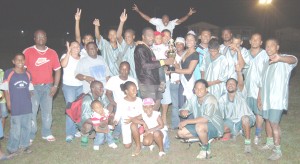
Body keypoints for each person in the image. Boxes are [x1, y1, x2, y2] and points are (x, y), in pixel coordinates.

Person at [258, 39, 298, 160]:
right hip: (265, 99)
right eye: (267, 46)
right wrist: (259, 97)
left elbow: (294, 59)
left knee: (274, 123)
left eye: (271, 46)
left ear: (277, 47)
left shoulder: (284, 60)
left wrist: (280, 58)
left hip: (276, 99)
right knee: (267, 120)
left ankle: (277, 150)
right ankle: (269, 143)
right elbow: (261, 82)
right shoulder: (266, 62)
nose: (269, 48)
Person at [23, 29, 61, 142]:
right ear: (34, 39)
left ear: (46, 38)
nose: (41, 39)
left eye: (43, 36)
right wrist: (26, 87)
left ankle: (46, 132)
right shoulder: (28, 51)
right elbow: (22, 70)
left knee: (47, 111)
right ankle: (31, 134)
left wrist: (55, 86)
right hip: (32, 87)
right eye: (38, 37)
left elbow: (58, 70)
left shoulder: (52, 52)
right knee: (32, 111)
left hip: (48, 87)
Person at [177, 79, 224, 159]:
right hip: (200, 125)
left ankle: (205, 147)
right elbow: (183, 109)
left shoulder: (210, 99)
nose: (199, 91)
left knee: (200, 126)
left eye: (201, 88)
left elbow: (205, 119)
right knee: (180, 133)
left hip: (214, 126)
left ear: (206, 89)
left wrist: (187, 121)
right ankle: (205, 138)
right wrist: (183, 112)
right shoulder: (193, 98)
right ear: (194, 90)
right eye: (196, 88)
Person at [0, 53, 33, 157]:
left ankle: (25, 145)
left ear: (25, 61)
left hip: (26, 105)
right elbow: (5, 88)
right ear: (13, 61)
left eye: (22, 60)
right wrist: (8, 102)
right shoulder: (9, 73)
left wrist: (30, 95)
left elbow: (30, 88)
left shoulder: (28, 74)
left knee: (27, 127)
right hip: (15, 105)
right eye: (17, 60)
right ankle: (12, 148)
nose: (20, 62)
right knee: (16, 128)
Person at [134, 27, 173, 111]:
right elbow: (144, 65)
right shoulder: (141, 48)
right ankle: (147, 124)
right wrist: (164, 62)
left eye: (152, 36)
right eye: (149, 36)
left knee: (156, 105)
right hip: (147, 83)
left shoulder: (148, 48)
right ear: (143, 37)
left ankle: (153, 123)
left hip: (154, 81)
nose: (152, 38)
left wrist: (164, 66)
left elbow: (154, 64)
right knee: (150, 108)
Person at [219, 64, 256, 153]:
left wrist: (239, 72)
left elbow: (241, 83)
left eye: (232, 84)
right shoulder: (222, 99)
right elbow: (220, 115)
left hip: (243, 118)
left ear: (236, 86)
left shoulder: (241, 93)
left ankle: (247, 144)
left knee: (245, 119)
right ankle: (234, 133)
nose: (230, 85)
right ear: (226, 86)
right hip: (231, 121)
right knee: (220, 129)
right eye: (228, 84)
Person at [244, 33, 269, 145]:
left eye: (257, 39)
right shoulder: (245, 53)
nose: (255, 41)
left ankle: (258, 134)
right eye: (253, 39)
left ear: (261, 42)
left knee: (259, 112)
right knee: (247, 112)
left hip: (259, 89)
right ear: (250, 41)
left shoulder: (265, 54)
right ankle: (245, 131)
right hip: (246, 88)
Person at [106, 61, 138, 140]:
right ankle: (114, 133)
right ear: (119, 69)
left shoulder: (133, 80)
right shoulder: (113, 79)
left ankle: (120, 132)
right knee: (118, 118)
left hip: (130, 104)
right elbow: (108, 93)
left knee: (126, 118)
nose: (124, 71)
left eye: (126, 69)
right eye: (122, 69)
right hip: (117, 104)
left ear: (129, 70)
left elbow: (135, 95)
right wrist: (114, 103)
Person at [60, 41, 83, 142]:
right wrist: (68, 52)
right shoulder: (65, 55)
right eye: (73, 46)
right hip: (69, 86)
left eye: (77, 46)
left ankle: (76, 129)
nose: (75, 48)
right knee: (70, 109)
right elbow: (63, 65)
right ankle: (69, 133)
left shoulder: (82, 58)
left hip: (80, 86)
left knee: (79, 109)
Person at [113, 81, 143, 156]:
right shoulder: (121, 101)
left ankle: (138, 146)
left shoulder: (139, 100)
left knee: (133, 125)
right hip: (125, 124)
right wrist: (115, 121)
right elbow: (118, 113)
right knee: (127, 146)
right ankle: (135, 135)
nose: (135, 91)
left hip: (137, 122)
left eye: (136, 89)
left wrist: (133, 119)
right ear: (126, 91)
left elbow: (143, 114)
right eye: (133, 90)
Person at [78, 80, 109, 147]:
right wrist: (99, 122)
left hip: (99, 118)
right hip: (88, 121)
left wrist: (108, 114)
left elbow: (108, 105)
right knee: (87, 126)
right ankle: (84, 135)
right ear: (93, 89)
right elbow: (85, 119)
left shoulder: (101, 96)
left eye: (102, 88)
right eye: (100, 88)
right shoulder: (87, 100)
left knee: (112, 115)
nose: (102, 90)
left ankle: (102, 133)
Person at [173, 32, 199, 106]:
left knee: (189, 105)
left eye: (191, 39)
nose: (189, 41)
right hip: (182, 81)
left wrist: (174, 70)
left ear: (195, 42)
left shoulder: (195, 54)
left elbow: (189, 71)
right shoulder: (185, 52)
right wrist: (173, 63)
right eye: (187, 39)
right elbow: (181, 67)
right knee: (181, 105)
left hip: (189, 81)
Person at [169, 37, 185, 129]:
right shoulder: (171, 54)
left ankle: (184, 124)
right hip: (174, 83)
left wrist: (176, 66)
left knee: (183, 105)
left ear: (184, 45)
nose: (179, 45)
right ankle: (175, 125)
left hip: (184, 84)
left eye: (181, 43)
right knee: (175, 105)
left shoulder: (186, 55)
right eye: (177, 43)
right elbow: (168, 68)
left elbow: (184, 70)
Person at [116, 9, 137, 79]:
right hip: (125, 76)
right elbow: (118, 36)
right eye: (125, 37)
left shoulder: (138, 47)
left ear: (133, 37)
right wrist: (121, 22)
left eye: (129, 36)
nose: (126, 38)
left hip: (137, 77)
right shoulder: (124, 46)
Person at [0, 68, 8, 139]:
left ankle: (1, 133)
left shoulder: (2, 72)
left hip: (2, 99)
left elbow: (5, 85)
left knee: (4, 115)